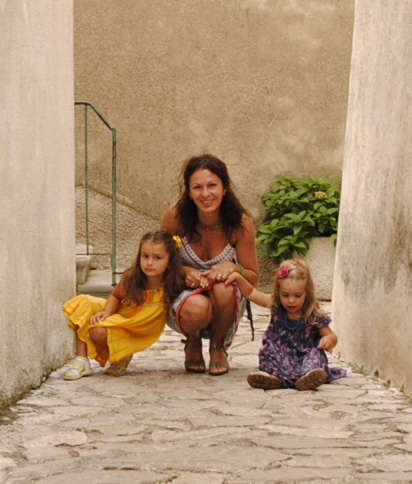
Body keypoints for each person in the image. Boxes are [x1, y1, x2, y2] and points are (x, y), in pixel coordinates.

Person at [161, 154, 259, 376]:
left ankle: (217, 347)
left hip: (225, 300)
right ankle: (192, 341)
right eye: (197, 187)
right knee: (197, 308)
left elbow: (252, 276)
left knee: (225, 286)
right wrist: (183, 271)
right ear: (189, 191)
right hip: (185, 297)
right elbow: (158, 263)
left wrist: (234, 268)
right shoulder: (176, 216)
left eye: (212, 185)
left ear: (224, 188)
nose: (205, 194)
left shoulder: (240, 222)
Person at [62, 230, 184, 380]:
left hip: (135, 327)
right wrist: (107, 312)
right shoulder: (132, 277)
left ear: (170, 261)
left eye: (157, 258)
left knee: (97, 331)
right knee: (83, 303)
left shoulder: (172, 283)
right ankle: (81, 360)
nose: (149, 263)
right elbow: (115, 295)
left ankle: (122, 354)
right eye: (145, 256)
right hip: (121, 315)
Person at [225, 258, 346, 390]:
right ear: (278, 292)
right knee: (269, 354)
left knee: (315, 357)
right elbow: (251, 293)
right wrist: (238, 278)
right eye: (285, 295)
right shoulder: (276, 305)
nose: (291, 300)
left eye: (297, 295)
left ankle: (307, 379)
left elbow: (331, 336)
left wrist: (328, 340)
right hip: (281, 354)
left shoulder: (313, 315)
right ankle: (274, 380)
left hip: (305, 355)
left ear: (307, 293)